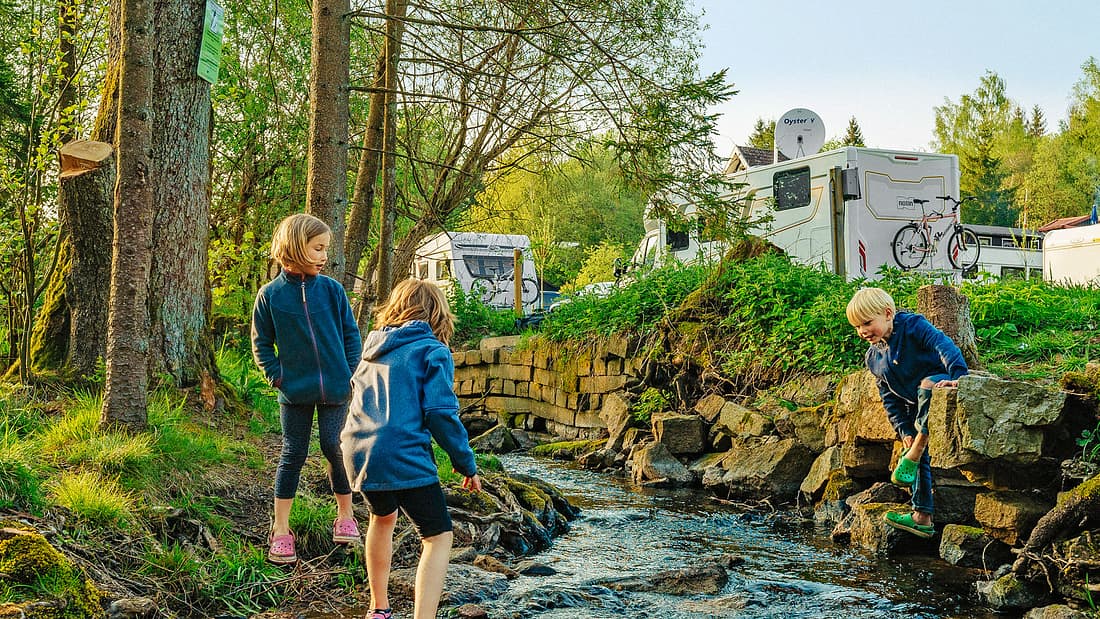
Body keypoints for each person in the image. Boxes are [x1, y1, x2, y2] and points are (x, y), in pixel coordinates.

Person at [341, 279, 481, 619]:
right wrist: (466, 463)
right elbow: (440, 415)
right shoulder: (432, 350)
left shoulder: (371, 349)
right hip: (401, 450)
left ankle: (379, 608)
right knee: (437, 536)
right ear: (438, 314)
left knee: (382, 517)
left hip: (358, 450)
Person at [251, 213, 363, 564]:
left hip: (336, 388)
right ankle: (281, 529)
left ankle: (346, 516)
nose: (324, 255)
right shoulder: (270, 296)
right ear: (297, 247)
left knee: (334, 445)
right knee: (293, 453)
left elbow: (350, 334)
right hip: (293, 392)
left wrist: (351, 372)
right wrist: (277, 376)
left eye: (325, 248)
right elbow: (261, 344)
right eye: (318, 248)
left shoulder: (332, 290)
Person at [846, 287, 968, 539]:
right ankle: (922, 516)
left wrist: (958, 377)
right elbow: (888, 397)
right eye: (857, 327)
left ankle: (915, 451)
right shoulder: (874, 357)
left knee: (927, 386)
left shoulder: (913, 326)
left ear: (888, 313)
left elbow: (944, 346)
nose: (862, 331)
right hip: (915, 405)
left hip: (939, 381)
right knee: (913, 447)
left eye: (867, 323)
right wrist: (903, 429)